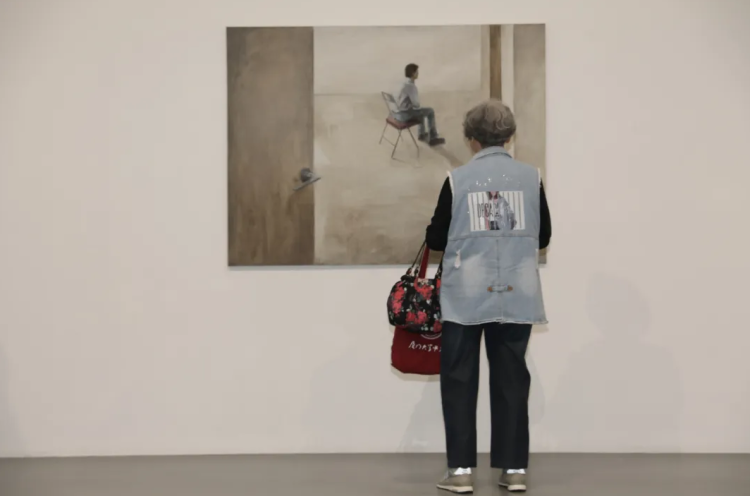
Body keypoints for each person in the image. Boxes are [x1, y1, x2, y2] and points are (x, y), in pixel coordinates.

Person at [425, 100, 551, 493]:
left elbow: (436, 239)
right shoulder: (531, 178)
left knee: (459, 379)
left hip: (465, 293)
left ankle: (461, 472)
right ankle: (514, 470)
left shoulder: (458, 179)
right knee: (512, 379)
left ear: (471, 138)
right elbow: (544, 236)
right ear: (509, 136)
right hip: (517, 291)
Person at [395, 63, 446, 147]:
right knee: (430, 111)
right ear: (413, 73)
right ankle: (433, 137)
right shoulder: (411, 86)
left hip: (400, 113)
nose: (418, 73)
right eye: (417, 72)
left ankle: (421, 134)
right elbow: (416, 104)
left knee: (420, 111)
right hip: (406, 115)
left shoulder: (404, 83)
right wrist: (417, 105)